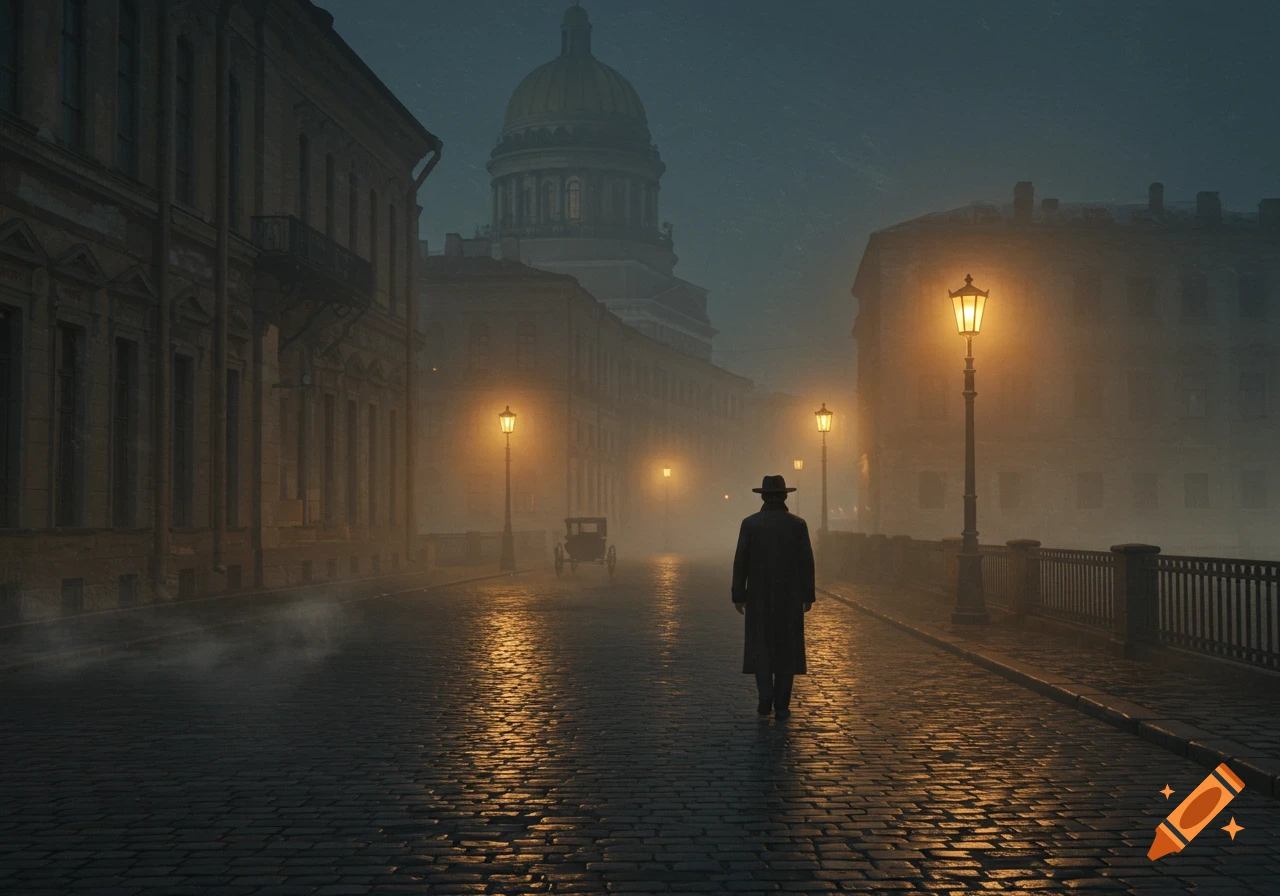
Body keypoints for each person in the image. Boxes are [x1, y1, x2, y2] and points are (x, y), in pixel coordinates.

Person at [731, 474, 815, 721]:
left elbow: (741, 561)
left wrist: (739, 594)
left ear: (764, 497)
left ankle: (765, 696)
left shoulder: (751, 524)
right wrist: (807, 594)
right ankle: (782, 703)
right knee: (787, 648)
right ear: (785, 496)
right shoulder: (797, 524)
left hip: (758, 595)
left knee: (761, 646)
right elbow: (806, 563)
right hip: (789, 596)